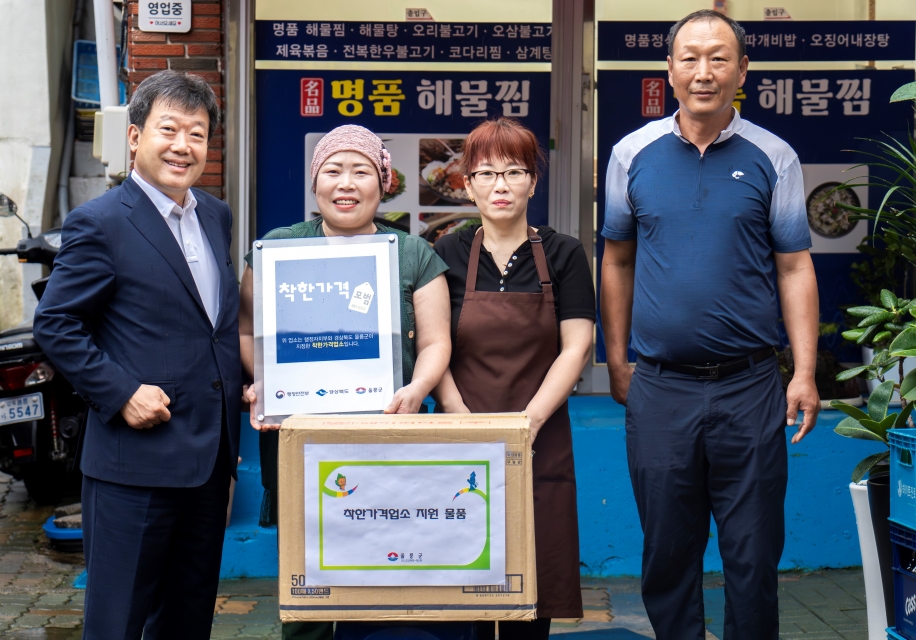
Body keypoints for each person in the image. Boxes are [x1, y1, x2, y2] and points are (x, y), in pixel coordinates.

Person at [599, 11, 821, 639]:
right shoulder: (630, 154)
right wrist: (616, 359)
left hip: (749, 387)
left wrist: (802, 372)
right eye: (690, 58)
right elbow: (616, 260)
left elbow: (795, 268)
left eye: (719, 58)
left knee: (753, 556)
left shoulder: (773, 156)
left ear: (742, 69)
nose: (704, 72)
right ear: (669, 70)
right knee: (667, 554)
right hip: (660, 387)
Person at [33, 70, 241, 639]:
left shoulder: (215, 216)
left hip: (208, 460)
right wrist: (121, 391)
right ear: (134, 137)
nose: (183, 146)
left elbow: (209, 329)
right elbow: (55, 322)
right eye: (168, 129)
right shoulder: (101, 222)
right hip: (136, 463)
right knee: (118, 621)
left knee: (186, 619)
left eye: (197, 134)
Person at [240, 124, 452, 640]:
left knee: (380, 567)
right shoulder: (279, 247)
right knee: (307, 576)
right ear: (316, 183)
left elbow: (436, 343)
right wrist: (261, 380)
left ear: (383, 184)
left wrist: (418, 388)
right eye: (333, 170)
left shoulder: (412, 253)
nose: (346, 183)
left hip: (388, 430)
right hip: (301, 434)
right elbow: (247, 331)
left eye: (361, 171)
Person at [432, 117, 595, 640]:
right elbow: (432, 348)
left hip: (539, 435)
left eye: (513, 172)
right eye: (485, 173)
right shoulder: (446, 252)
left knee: (534, 576)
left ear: (533, 181)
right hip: (463, 434)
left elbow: (577, 346)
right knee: (467, 581)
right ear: (467, 182)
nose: (499, 185)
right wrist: (464, 423)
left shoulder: (564, 253)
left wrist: (528, 423)